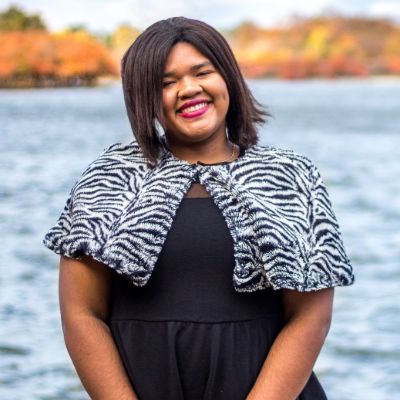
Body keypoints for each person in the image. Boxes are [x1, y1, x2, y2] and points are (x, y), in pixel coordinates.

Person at [42, 16, 355, 400]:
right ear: (144, 98)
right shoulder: (108, 178)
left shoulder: (291, 175)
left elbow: (311, 315)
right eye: (165, 83)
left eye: (201, 72)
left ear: (227, 77)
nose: (188, 90)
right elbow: (80, 314)